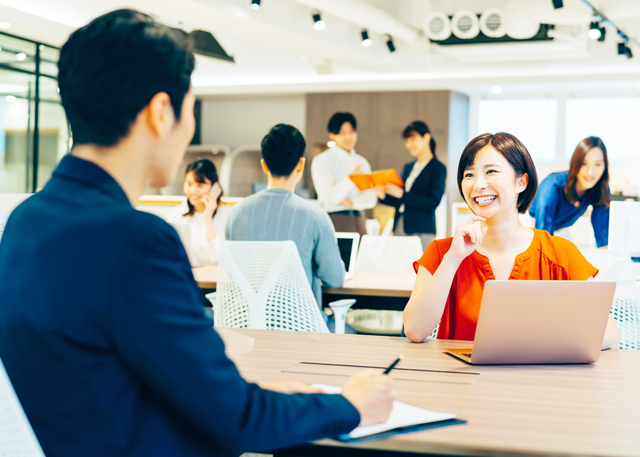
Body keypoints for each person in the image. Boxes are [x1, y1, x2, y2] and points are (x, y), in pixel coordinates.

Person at [0, 10, 395, 457]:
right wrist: (349, 405)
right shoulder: (135, 240)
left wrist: (245, 392)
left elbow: (100, 376)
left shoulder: (26, 220)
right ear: (161, 112)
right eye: (191, 107)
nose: (189, 129)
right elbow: (239, 422)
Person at [402, 132, 619, 349]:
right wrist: (453, 260)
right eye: (469, 175)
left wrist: (541, 346)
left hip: (536, 381)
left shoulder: (560, 253)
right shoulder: (443, 252)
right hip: (460, 380)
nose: (478, 185)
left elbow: (609, 332)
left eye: (491, 172)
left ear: (521, 182)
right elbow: (414, 329)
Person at [226, 123, 344, 308]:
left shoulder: (235, 215)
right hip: (300, 330)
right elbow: (334, 278)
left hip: (247, 329)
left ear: (264, 165)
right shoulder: (316, 217)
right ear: (301, 164)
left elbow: (230, 275)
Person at [374, 121, 446, 248]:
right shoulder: (408, 167)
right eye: (406, 141)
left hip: (422, 228)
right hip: (400, 225)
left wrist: (402, 194)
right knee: (400, 266)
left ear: (426, 137)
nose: (408, 144)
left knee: (421, 267)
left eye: (413, 139)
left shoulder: (438, 168)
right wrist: (383, 196)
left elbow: (433, 202)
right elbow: (400, 200)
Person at [529, 136, 610, 248]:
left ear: (605, 166)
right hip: (533, 224)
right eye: (584, 164)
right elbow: (542, 232)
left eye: (598, 164)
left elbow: (602, 231)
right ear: (575, 163)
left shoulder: (599, 188)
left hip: (560, 228)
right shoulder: (553, 187)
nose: (591, 172)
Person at [311, 112, 377, 236]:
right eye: (342, 132)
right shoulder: (322, 160)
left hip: (360, 220)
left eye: (351, 131)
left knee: (361, 255)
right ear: (332, 135)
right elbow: (328, 196)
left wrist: (351, 202)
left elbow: (371, 199)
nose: (348, 137)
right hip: (336, 220)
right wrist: (351, 178)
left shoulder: (362, 162)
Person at [168, 158, 230, 264]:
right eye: (189, 184)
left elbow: (219, 258)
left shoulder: (227, 215)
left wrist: (207, 217)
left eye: (200, 185)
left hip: (215, 278)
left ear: (215, 187)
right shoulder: (178, 213)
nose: (193, 191)